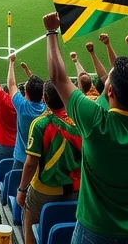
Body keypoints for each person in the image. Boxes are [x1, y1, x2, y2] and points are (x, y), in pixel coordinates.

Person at [42, 9, 128, 244]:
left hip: (95, 231)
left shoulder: (96, 121)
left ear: (109, 90)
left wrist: (51, 30)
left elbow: (58, 79)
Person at [19, 80, 82, 244]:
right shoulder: (79, 121)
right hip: (76, 186)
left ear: (44, 99)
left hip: (45, 189)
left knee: (30, 221)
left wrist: (22, 189)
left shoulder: (40, 123)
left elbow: (31, 163)